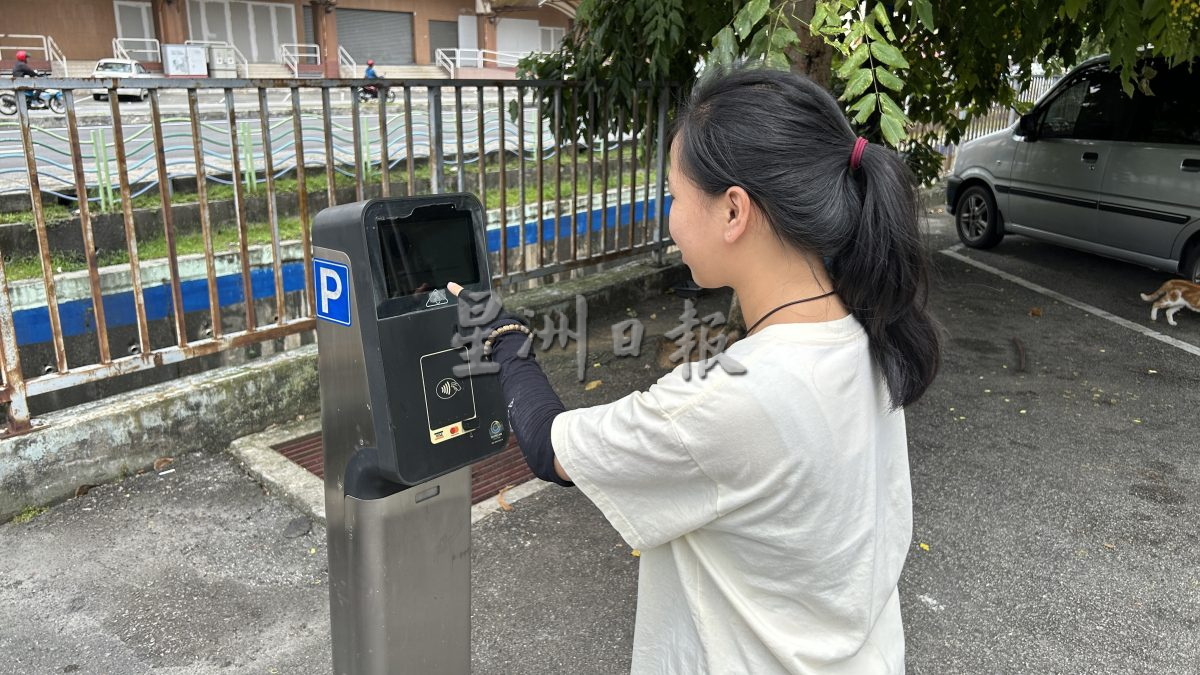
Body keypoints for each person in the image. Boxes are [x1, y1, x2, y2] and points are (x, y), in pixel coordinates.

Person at [449, 64, 940, 674]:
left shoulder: (723, 402)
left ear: (733, 211)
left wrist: (504, 336)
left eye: (675, 196)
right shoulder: (866, 333)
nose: (670, 218)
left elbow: (549, 448)